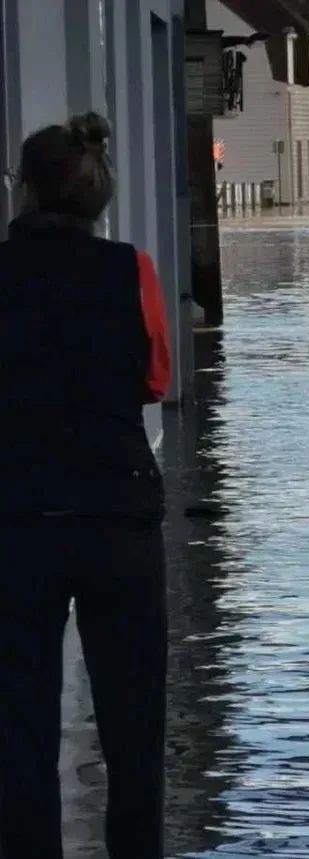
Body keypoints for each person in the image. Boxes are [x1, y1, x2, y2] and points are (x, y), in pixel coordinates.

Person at [0, 112, 171, 859]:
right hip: (118, 514)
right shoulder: (131, 268)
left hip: (18, 518)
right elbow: (155, 378)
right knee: (135, 734)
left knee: (21, 732)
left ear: (24, 191)